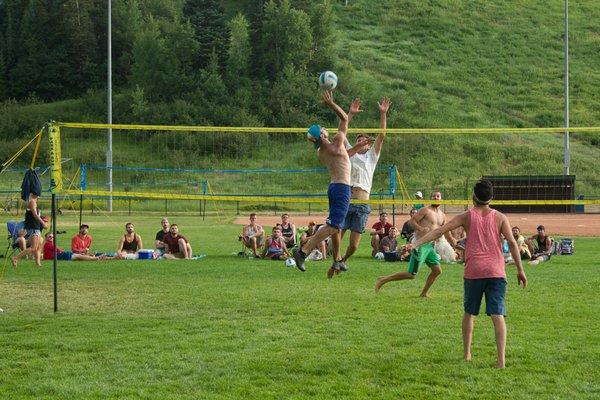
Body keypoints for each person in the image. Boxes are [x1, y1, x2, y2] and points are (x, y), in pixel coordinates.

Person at [403, 180, 527, 368]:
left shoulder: (466, 216)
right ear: (491, 198)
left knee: (470, 313)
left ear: (473, 197)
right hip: (496, 271)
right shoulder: (501, 217)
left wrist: (415, 243)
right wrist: (520, 269)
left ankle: (467, 354)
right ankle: (501, 361)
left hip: (474, 271)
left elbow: (439, 232)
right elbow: (511, 243)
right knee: (497, 314)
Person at [292, 90, 352, 273]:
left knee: (337, 225)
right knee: (333, 226)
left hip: (333, 187)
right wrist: (331, 104)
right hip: (342, 188)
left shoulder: (321, 152)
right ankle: (303, 251)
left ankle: (337, 260)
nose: (326, 128)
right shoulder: (338, 142)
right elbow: (344, 119)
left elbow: (343, 158)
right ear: (323, 135)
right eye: (324, 129)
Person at [335, 97, 391, 275]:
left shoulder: (371, 157)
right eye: (358, 139)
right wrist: (349, 114)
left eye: (364, 140)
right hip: (347, 200)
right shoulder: (349, 153)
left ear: (368, 144)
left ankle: (343, 260)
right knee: (336, 235)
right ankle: (335, 260)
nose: (360, 141)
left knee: (354, 245)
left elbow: (381, 135)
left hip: (362, 203)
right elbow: (341, 132)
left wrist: (383, 113)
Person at [375, 191, 453, 297]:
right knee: (411, 275)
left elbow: (444, 230)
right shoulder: (425, 210)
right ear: (430, 198)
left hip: (429, 246)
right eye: (433, 196)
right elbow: (411, 222)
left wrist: (452, 241)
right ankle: (383, 279)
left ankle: (423, 294)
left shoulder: (442, 215)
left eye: (437, 196)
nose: (435, 197)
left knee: (437, 270)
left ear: (441, 199)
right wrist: (421, 228)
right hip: (419, 245)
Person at [11, 193, 48, 267]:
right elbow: (35, 215)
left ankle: (38, 264)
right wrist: (43, 223)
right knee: (33, 248)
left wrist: (42, 220)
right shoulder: (32, 202)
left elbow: (34, 216)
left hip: (35, 228)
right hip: (34, 228)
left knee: (37, 248)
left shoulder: (33, 202)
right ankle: (15, 258)